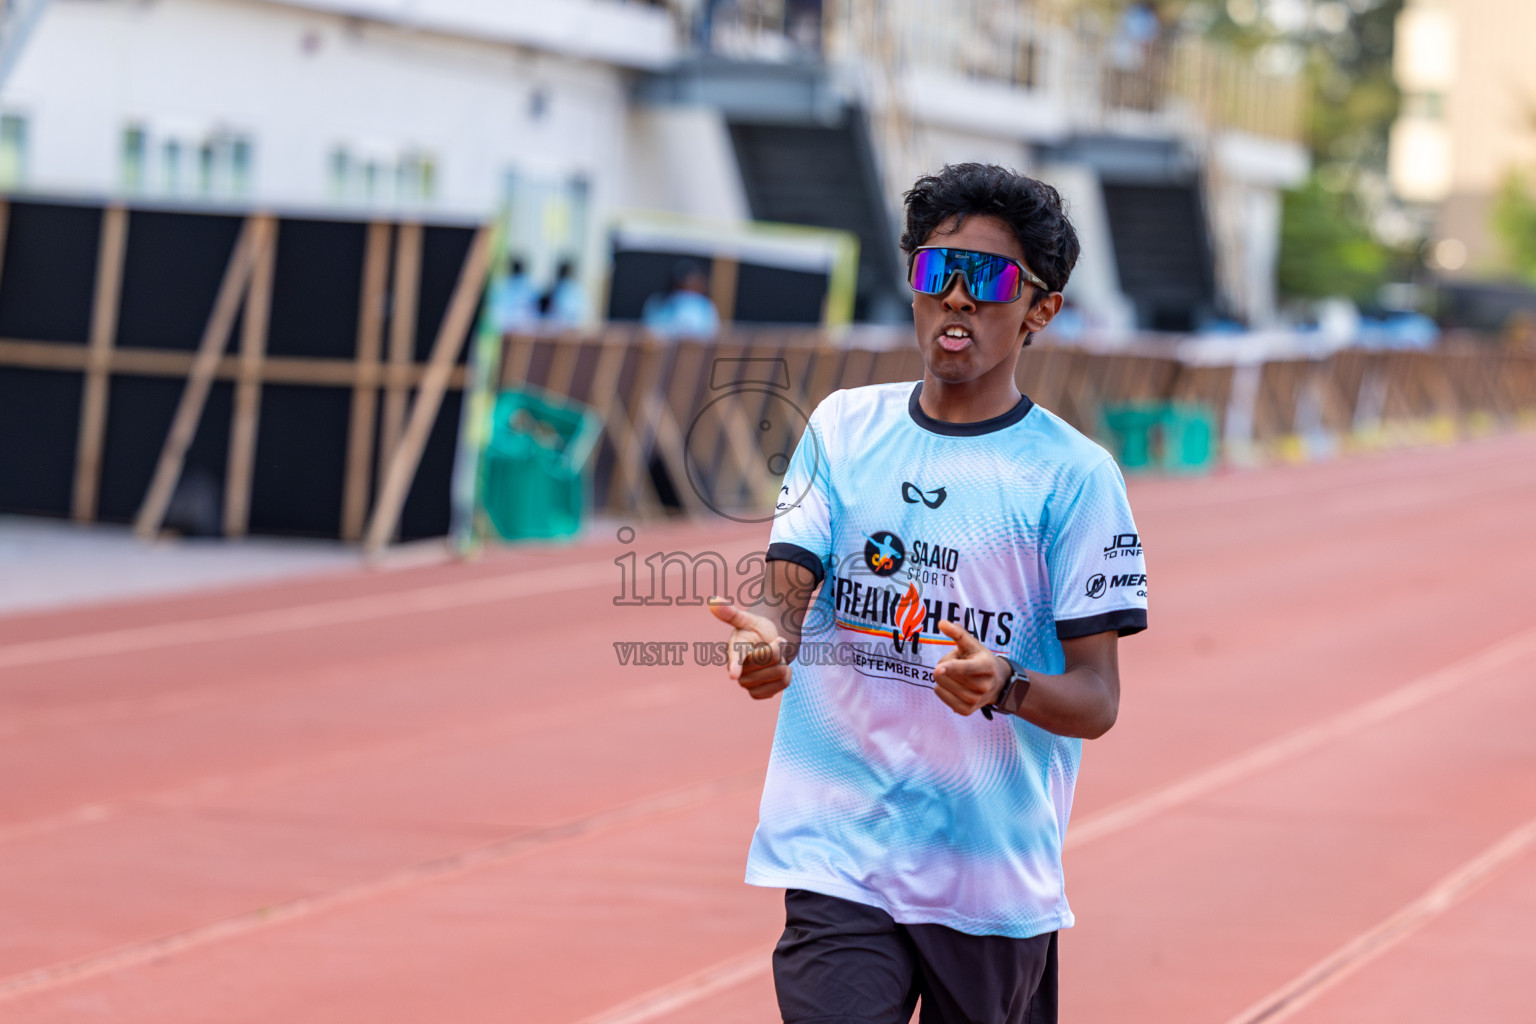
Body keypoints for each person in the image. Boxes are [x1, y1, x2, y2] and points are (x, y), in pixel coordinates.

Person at [706, 163, 1148, 1024]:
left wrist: (1007, 686)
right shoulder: (843, 428)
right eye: (933, 274)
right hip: (839, 854)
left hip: (987, 882)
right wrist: (764, 638)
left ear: (1040, 309)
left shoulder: (1074, 480)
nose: (955, 299)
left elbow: (1097, 700)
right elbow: (784, 598)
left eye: (985, 280)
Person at [641, 258, 720, 340]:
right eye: (683, 284)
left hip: (694, 350)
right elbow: (651, 331)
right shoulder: (659, 301)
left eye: (692, 283)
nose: (687, 289)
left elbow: (711, 334)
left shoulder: (704, 305)